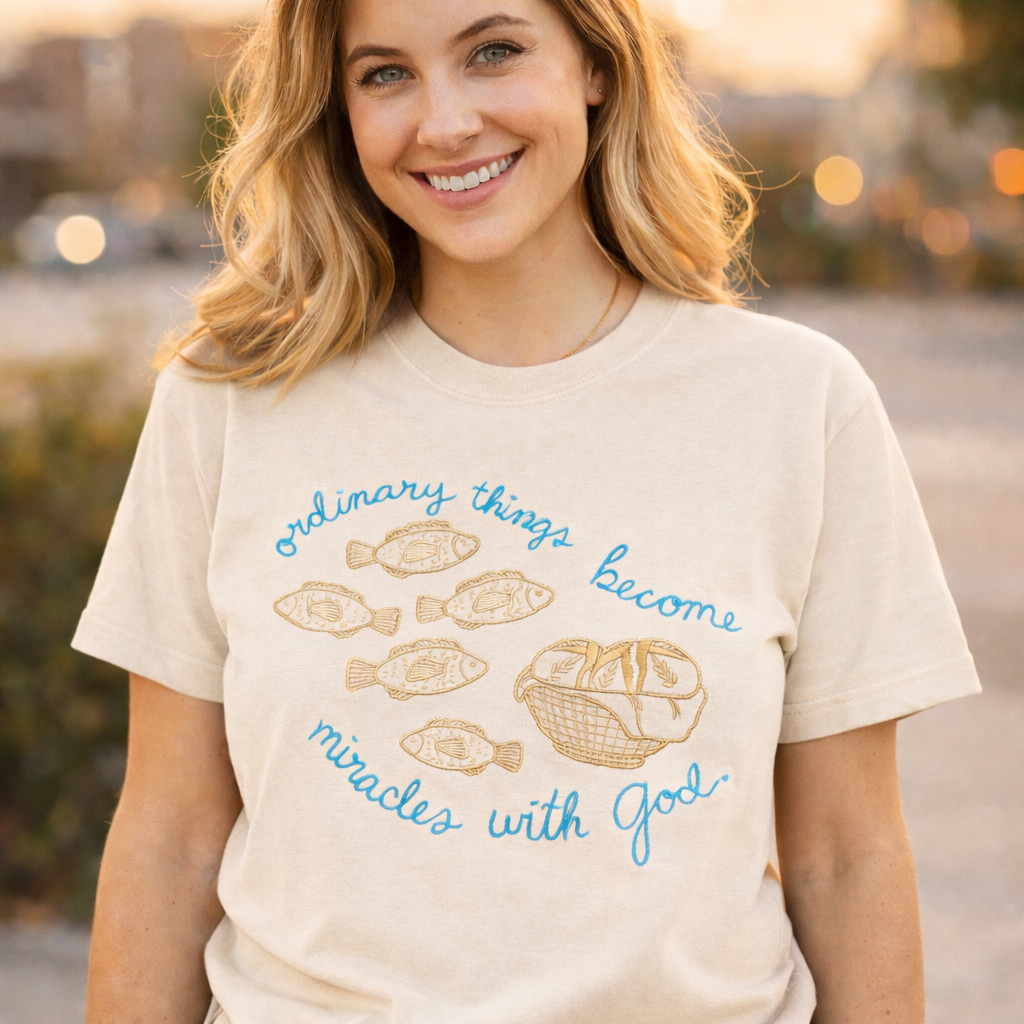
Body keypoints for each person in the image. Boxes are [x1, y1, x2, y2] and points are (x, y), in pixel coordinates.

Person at [72, 1, 981, 1022]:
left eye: (493, 52)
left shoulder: (797, 404)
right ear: (334, 108)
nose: (445, 121)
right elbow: (170, 838)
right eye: (383, 75)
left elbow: (845, 856)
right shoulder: (229, 398)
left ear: (596, 65)